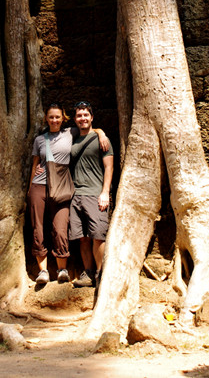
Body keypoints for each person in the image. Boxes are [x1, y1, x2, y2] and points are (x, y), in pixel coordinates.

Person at [28, 103, 108, 285]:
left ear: (63, 118)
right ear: (46, 119)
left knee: (61, 227)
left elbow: (88, 128)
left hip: (62, 187)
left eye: (57, 117)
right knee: (37, 228)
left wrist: (101, 133)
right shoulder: (40, 140)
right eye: (51, 117)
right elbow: (35, 164)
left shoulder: (70, 133)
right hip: (39, 186)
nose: (54, 120)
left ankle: (62, 268)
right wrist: (29, 186)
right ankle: (43, 272)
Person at [69, 101, 114, 288]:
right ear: (75, 119)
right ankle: (88, 273)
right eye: (79, 115)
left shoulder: (101, 139)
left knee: (98, 235)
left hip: (95, 194)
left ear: (92, 117)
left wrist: (105, 192)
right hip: (75, 194)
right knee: (83, 237)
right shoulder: (70, 138)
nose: (83, 118)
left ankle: (100, 274)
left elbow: (109, 166)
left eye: (86, 115)